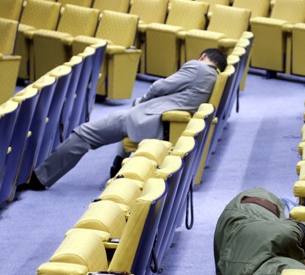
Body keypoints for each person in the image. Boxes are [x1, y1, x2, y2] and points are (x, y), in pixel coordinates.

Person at [25, 48, 226, 190]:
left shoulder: (197, 67)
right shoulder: (215, 78)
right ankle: (117, 164)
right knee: (114, 124)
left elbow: (159, 87)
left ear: (203, 57)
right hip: (160, 120)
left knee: (84, 134)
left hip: (148, 118)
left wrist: (142, 101)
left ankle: (39, 178)